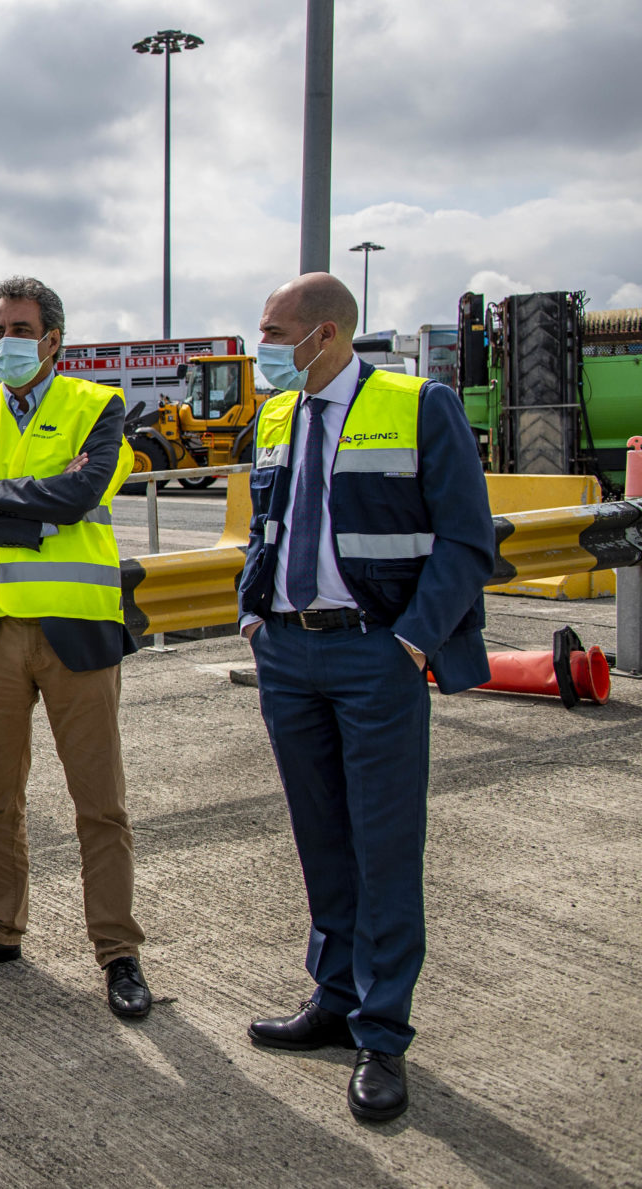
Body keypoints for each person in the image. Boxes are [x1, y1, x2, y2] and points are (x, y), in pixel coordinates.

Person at [240, 272, 493, 1123]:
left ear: (327, 333)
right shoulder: (275, 414)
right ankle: (335, 996)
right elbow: (266, 523)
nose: (263, 346)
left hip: (372, 653)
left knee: (385, 844)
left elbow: (467, 538)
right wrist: (252, 608)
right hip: (288, 652)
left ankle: (382, 1033)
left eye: (275, 331)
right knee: (321, 837)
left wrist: (413, 639)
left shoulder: (420, 403)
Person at [0, 275, 152, 1021]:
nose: (6, 344)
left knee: (101, 804)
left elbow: (81, 495)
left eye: (20, 330)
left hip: (73, 630)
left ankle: (118, 951)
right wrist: (31, 510)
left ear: (53, 339)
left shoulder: (96, 406)